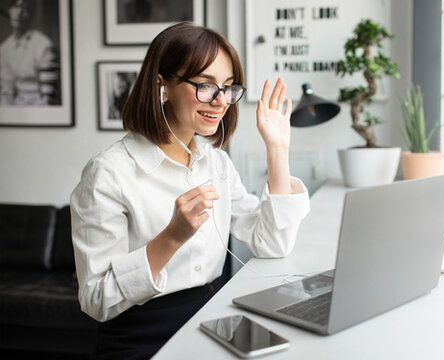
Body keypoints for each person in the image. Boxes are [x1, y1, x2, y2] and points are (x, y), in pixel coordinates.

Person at [70, 22, 309, 359]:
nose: (221, 101)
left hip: (212, 323)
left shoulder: (217, 164)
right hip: (141, 338)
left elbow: (272, 242)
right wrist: (171, 237)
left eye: (227, 87)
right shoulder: (108, 173)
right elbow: (95, 300)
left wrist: (278, 150)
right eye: (206, 86)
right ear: (162, 85)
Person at [0, 0, 57, 105]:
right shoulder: (4, 48)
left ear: (31, 14)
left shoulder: (43, 45)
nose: (19, 13)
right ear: (9, 10)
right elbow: (6, 91)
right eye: (15, 7)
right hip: (17, 110)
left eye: (25, 8)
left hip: (39, 109)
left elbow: (48, 97)